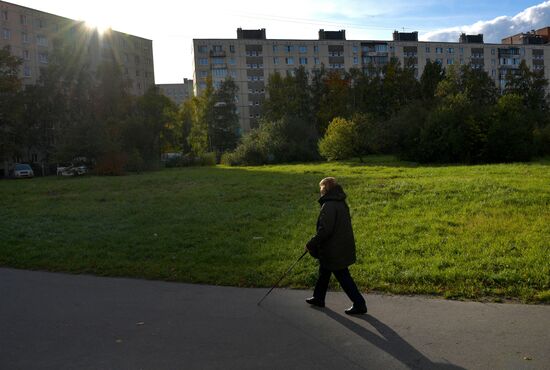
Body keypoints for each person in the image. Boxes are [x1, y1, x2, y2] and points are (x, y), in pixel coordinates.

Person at [305, 177, 367, 315]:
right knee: (324, 272)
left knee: (343, 276)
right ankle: (318, 298)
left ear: (326, 189)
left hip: (333, 249)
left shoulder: (329, 205)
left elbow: (325, 230)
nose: (320, 191)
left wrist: (311, 243)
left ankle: (360, 304)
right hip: (339, 246)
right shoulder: (340, 202)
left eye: (321, 188)